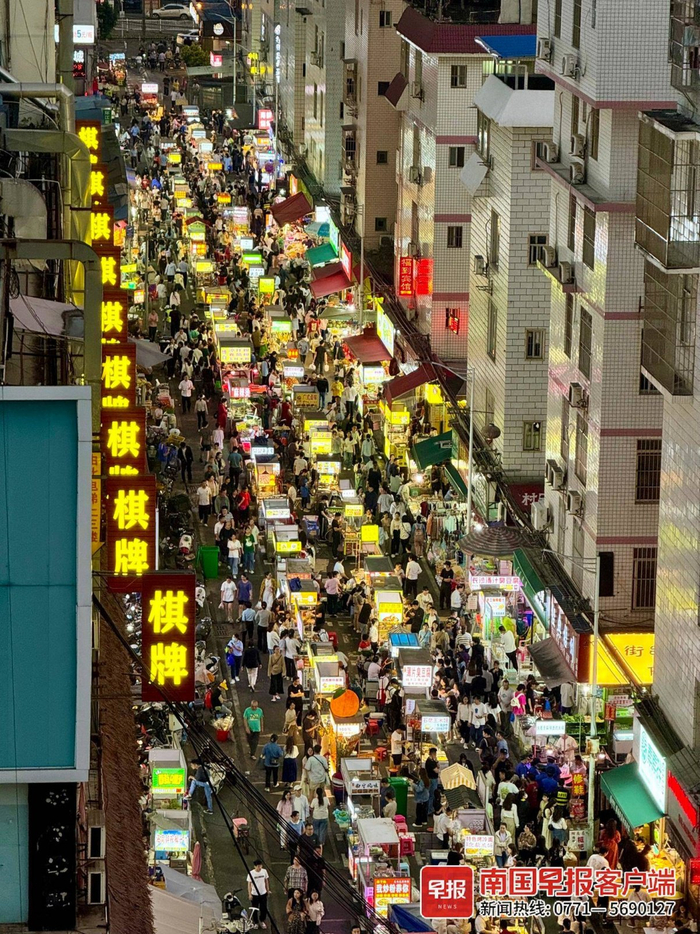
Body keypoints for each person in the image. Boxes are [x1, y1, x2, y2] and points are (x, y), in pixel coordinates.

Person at [247, 859, 269, 929]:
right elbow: (249, 884)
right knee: (255, 909)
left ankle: (262, 920)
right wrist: (250, 894)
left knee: (263, 909)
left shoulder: (264, 871)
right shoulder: (251, 873)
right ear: (254, 866)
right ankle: (256, 922)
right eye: (258, 866)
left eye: (260, 866)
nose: (259, 867)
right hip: (254, 894)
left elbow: (266, 880)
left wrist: (268, 890)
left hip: (263, 893)